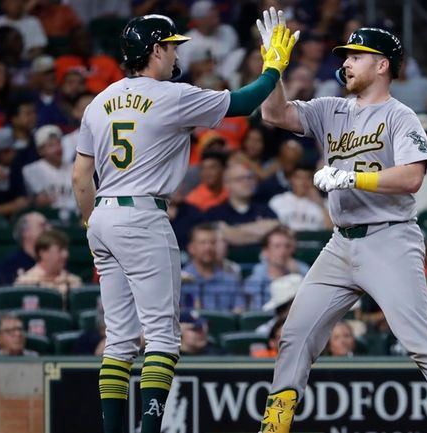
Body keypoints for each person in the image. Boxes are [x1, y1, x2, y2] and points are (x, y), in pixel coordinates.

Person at [70, 12, 297, 433]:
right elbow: (244, 103)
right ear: (155, 49)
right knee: (161, 339)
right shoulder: (170, 95)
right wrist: (273, 68)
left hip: (102, 213)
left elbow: (81, 176)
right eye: (171, 45)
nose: (175, 52)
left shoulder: (98, 102)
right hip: (142, 215)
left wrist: (91, 227)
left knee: (119, 341)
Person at [258, 26, 427, 433]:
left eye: (356, 56)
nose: (345, 62)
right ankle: (274, 427)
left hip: (390, 238)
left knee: (421, 343)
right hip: (340, 243)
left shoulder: (400, 116)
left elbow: (412, 177)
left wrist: (353, 179)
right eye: (345, 55)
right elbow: (273, 114)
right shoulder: (331, 108)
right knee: (295, 335)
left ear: (382, 65)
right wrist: (273, 70)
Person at [180, 222, 243, 312]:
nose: (208, 247)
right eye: (203, 243)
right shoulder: (180, 280)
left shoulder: (231, 280)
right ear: (191, 248)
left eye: (212, 242)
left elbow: (239, 311)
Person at [244, 226, 309, 310]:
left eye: (287, 246)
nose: (283, 251)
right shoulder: (255, 280)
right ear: (265, 252)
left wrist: (295, 275)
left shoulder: (302, 272)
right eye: (277, 246)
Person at [22, 124, 77, 214]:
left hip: (75, 219)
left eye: (59, 143)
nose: (58, 149)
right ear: (40, 150)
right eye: (51, 145)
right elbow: (40, 202)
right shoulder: (31, 170)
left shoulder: (75, 168)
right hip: (49, 218)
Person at [14, 229, 83, 297]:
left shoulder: (73, 282)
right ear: (43, 253)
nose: (65, 255)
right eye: (60, 250)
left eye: (66, 250)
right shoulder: (25, 282)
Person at [268, 163, 333, 231]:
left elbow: (331, 231)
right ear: (291, 179)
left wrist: (320, 204)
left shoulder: (325, 203)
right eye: (299, 178)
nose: (303, 182)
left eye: (307, 178)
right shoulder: (277, 201)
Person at [0, 210, 49, 280]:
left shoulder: (54, 260)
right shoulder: (11, 265)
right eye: (42, 226)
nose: (48, 230)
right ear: (25, 232)